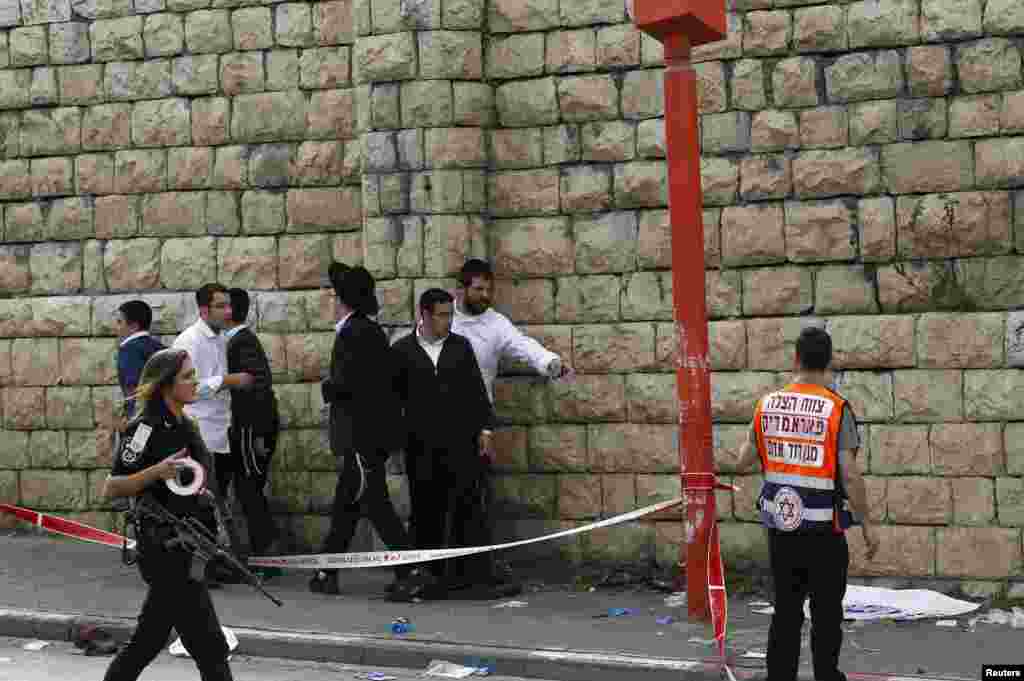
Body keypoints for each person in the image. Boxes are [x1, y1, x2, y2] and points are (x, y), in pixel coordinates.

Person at [727, 326, 879, 681]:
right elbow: (851, 475)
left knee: (786, 611)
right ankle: (827, 675)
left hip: (782, 532)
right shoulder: (836, 409)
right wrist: (868, 524)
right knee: (826, 614)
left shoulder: (767, 405)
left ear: (795, 359)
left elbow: (743, 460)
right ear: (829, 362)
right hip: (824, 532)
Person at [101, 348, 235, 681]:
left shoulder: (187, 425)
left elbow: (200, 485)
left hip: (191, 548)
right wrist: (156, 472)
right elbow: (112, 488)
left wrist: (215, 517)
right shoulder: (144, 429)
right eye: (187, 376)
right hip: (163, 549)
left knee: (151, 641)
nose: (195, 382)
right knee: (208, 646)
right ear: (165, 384)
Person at [309, 263, 432, 601]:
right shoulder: (365, 330)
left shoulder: (355, 332)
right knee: (346, 508)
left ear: (344, 299)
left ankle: (410, 570)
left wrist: (328, 389)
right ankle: (326, 572)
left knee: (375, 506)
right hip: (363, 438)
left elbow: (353, 384)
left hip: (361, 437)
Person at [392, 288, 498, 598]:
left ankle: (472, 574)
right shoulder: (402, 352)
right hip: (421, 447)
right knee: (426, 511)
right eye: (441, 315)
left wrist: (485, 430)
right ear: (423, 315)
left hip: (460, 443)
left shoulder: (460, 348)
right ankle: (428, 574)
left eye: (450, 315)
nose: (447, 321)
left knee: (467, 505)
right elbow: (392, 398)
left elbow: (477, 392)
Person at [172, 283, 254, 580]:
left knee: (214, 503)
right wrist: (229, 380)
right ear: (204, 309)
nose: (228, 311)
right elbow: (188, 388)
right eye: (221, 306)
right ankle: (200, 568)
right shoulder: (189, 342)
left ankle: (212, 563)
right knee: (202, 503)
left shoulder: (219, 339)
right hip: (200, 432)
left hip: (221, 432)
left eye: (229, 305)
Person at [452, 258, 574, 402]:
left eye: (489, 290)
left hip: (478, 414)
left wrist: (549, 361)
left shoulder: (496, 323)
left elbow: (523, 345)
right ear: (461, 289)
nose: (486, 295)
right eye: (479, 289)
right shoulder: (439, 316)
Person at [222, 288, 281, 573]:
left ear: (231, 311)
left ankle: (267, 557)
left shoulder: (242, 342)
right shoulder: (236, 340)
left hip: (250, 429)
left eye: (222, 306)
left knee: (250, 491)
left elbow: (258, 387)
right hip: (246, 428)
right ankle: (263, 555)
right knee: (247, 491)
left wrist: (257, 435)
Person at [114, 300, 164, 420]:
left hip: (142, 420)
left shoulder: (128, 350)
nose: (116, 327)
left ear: (134, 326)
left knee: (137, 439)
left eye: (119, 322)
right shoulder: (160, 348)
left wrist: (129, 420)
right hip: (165, 417)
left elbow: (135, 390)